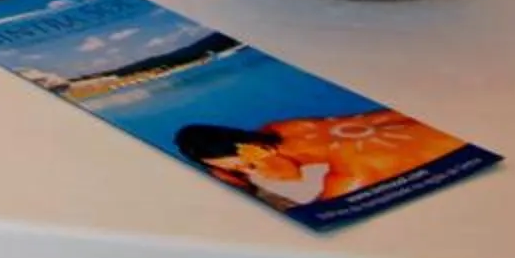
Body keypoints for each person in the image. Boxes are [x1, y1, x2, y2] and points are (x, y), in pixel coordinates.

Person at [175, 109, 467, 208]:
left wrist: (254, 185)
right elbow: (387, 117)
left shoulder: (348, 177)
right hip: (445, 129)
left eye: (247, 166)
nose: (250, 171)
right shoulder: (286, 128)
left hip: (453, 156)